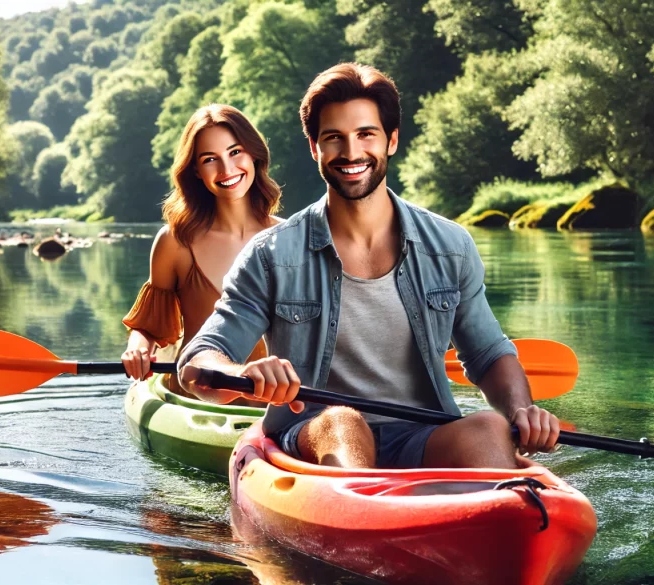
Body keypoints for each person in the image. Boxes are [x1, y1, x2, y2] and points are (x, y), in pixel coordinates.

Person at [178, 63, 559, 469]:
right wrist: (244, 374)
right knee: (343, 422)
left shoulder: (450, 246)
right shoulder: (270, 255)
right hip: (313, 433)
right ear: (314, 148)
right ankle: (360, 518)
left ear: (391, 140)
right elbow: (198, 362)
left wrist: (521, 410)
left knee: (488, 428)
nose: (351, 152)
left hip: (425, 434)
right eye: (334, 138)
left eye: (366, 134)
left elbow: (488, 354)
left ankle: (492, 514)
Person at [121, 104, 281, 400]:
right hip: (197, 398)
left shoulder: (288, 237)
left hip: (275, 403)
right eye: (210, 159)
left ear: (254, 154)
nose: (227, 169)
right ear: (195, 169)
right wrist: (138, 347)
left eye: (235, 152)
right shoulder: (175, 242)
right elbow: (150, 328)